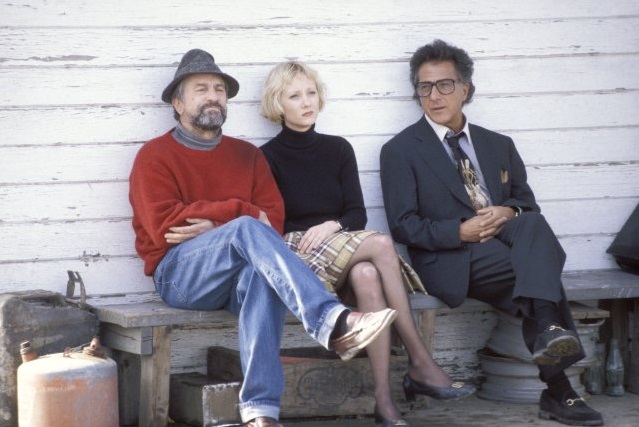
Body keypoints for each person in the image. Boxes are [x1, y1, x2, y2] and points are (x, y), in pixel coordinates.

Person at [128, 49, 399, 427]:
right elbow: (165, 227)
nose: (213, 96)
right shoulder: (154, 156)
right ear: (178, 103)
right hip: (180, 275)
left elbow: (273, 224)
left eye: (219, 89)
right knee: (245, 226)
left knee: (261, 275)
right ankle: (332, 321)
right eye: (201, 89)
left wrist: (220, 224)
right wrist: (237, 215)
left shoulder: (247, 156)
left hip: (235, 278)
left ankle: (260, 412)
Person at [379, 39, 604, 427]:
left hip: (506, 240)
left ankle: (555, 362)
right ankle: (559, 382)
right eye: (425, 87)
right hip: (450, 256)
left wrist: (507, 210)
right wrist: (460, 231)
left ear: (465, 88)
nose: (434, 96)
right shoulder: (400, 150)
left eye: (445, 84)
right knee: (537, 275)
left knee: (531, 224)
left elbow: (526, 204)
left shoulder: (498, 144)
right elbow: (403, 225)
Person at [259, 61, 475, 427]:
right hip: (299, 252)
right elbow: (275, 222)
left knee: (367, 275)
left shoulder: (338, 149)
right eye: (294, 96)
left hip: (340, 243)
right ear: (277, 104)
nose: (307, 102)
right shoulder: (267, 156)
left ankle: (383, 401)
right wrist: (319, 231)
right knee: (382, 245)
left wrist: (332, 225)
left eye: (311, 92)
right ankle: (420, 360)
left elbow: (356, 214)